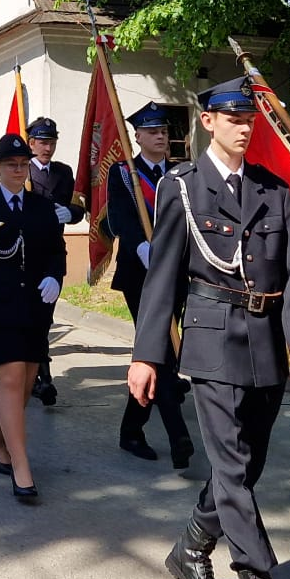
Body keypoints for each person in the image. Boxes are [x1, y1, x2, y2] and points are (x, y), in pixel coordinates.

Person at [128, 77, 290, 579]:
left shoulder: (274, 188)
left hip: (266, 337)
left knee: (250, 461)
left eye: (249, 118)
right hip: (211, 338)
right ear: (207, 122)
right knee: (232, 468)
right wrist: (146, 352)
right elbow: (162, 276)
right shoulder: (182, 187)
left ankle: (189, 547)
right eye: (231, 117)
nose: (244, 126)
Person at [0, 133, 67, 502]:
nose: (18, 170)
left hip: (34, 307)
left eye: (23, 164)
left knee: (26, 382)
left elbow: (57, 250)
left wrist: (55, 274)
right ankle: (22, 468)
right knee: (12, 378)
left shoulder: (41, 206)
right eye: (11, 165)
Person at [105, 102, 194, 468]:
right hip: (139, 273)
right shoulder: (124, 173)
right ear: (137, 136)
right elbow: (119, 215)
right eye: (153, 132)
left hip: (175, 272)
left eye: (164, 131)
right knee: (161, 352)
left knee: (154, 353)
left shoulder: (180, 174)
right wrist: (140, 245)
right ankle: (179, 438)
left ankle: (131, 429)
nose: (161, 136)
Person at [25, 116, 83, 406]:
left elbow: (78, 206)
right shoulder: (20, 170)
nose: (47, 147)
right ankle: (37, 376)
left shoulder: (63, 171)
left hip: (52, 252)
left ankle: (41, 375)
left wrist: (69, 214)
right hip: (24, 254)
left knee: (44, 318)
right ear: (31, 142)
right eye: (42, 142)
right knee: (28, 318)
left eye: (51, 142)